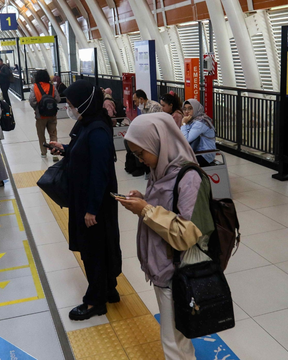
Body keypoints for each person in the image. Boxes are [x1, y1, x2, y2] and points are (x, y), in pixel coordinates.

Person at [117, 112, 214, 360]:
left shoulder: (189, 178)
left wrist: (146, 210)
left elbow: (187, 232)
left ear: (160, 143)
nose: (140, 160)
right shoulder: (163, 169)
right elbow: (168, 208)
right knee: (177, 335)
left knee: (172, 339)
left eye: (142, 153)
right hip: (163, 265)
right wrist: (144, 200)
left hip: (177, 270)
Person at [48, 80, 121, 320]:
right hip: (89, 199)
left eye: (71, 104)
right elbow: (85, 153)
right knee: (100, 247)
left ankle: (94, 302)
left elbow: (100, 173)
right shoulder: (90, 124)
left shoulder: (97, 130)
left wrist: (91, 209)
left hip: (94, 203)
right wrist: (66, 149)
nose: (70, 108)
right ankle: (108, 290)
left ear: (83, 103)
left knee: (93, 252)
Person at [29, 70, 61, 160]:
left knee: (41, 133)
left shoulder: (34, 87)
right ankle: (55, 153)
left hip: (40, 116)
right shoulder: (52, 87)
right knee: (53, 133)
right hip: (52, 115)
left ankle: (43, 153)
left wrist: (37, 108)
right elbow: (58, 99)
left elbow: (32, 101)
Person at [181, 99, 216, 166]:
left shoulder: (200, 122)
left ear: (196, 108)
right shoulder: (192, 120)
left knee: (181, 163)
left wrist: (184, 124)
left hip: (205, 155)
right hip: (196, 152)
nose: (186, 111)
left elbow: (186, 139)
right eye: (184, 109)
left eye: (190, 109)